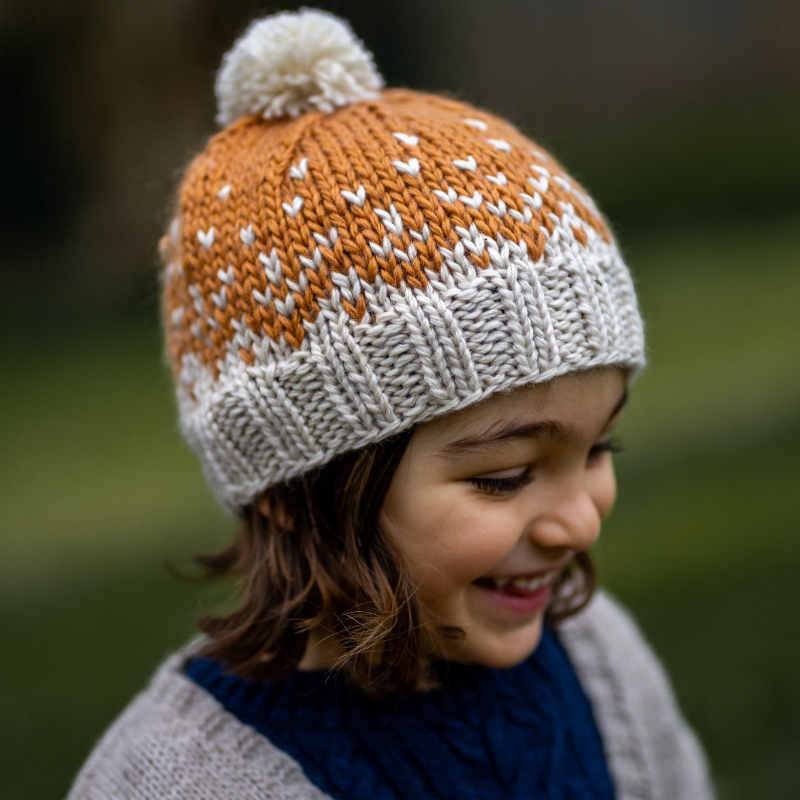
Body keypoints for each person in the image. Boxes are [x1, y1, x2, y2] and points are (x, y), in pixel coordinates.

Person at [67, 9, 714, 799]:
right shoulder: (183, 781)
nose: (580, 523)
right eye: (504, 477)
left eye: (598, 449)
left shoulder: (598, 659)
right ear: (291, 489)